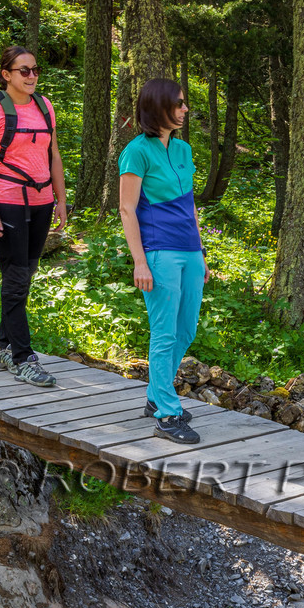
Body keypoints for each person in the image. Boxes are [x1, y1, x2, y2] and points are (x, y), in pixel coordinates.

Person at [118, 78, 209, 445]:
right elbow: (126, 209)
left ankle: (157, 394)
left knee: (186, 330)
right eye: (180, 104)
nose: (185, 109)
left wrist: (201, 252)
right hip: (158, 251)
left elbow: (190, 205)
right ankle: (167, 414)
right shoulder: (136, 152)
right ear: (159, 107)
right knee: (164, 332)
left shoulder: (184, 150)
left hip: (188, 250)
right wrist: (140, 262)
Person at [0, 46, 67, 388]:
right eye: (24, 70)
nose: (31, 76)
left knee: (25, 275)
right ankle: (22, 358)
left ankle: (4, 345)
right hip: (8, 200)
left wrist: (61, 199)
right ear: (6, 74)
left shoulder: (45, 107)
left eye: (35, 70)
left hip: (42, 202)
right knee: (15, 279)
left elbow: (53, 154)